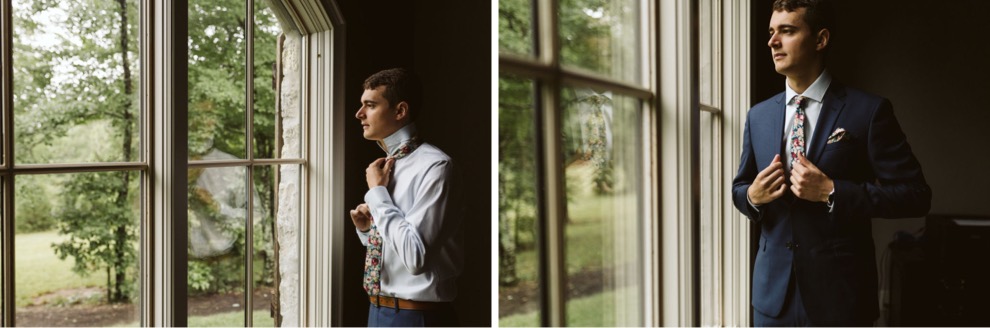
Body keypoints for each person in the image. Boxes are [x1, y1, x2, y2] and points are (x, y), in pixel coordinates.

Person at [731, 0, 932, 326]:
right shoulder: (758, 115)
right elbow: (740, 189)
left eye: (787, 30)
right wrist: (753, 196)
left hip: (840, 299)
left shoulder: (869, 111)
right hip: (771, 301)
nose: (772, 41)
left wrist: (833, 191)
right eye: (771, 32)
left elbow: (916, 194)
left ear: (820, 39)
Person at [349, 68, 461, 327]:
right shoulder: (386, 166)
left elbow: (415, 258)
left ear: (400, 111)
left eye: (370, 105)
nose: (359, 114)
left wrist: (378, 195)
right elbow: (398, 248)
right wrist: (369, 231)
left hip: (417, 316)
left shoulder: (436, 167)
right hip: (376, 311)